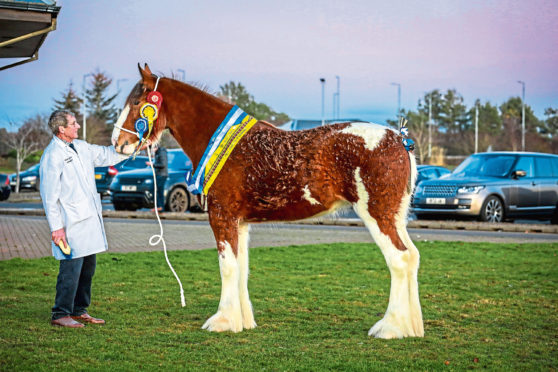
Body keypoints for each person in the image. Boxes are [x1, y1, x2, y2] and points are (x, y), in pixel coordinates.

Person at [40, 110, 127, 328]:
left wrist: (133, 146)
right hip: (69, 224)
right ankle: (60, 314)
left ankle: (79, 310)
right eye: (73, 123)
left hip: (88, 220)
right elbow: (49, 196)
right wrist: (57, 228)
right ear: (62, 129)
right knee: (71, 269)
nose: (78, 126)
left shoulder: (81, 147)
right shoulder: (52, 155)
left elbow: (108, 155)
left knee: (87, 269)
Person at [151, 145, 168, 212]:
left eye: (152, 149)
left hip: (161, 175)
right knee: (159, 191)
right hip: (160, 174)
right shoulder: (158, 153)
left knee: (155, 189)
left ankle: (159, 206)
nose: (152, 151)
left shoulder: (161, 153)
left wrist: (153, 164)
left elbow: (163, 164)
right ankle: (160, 207)